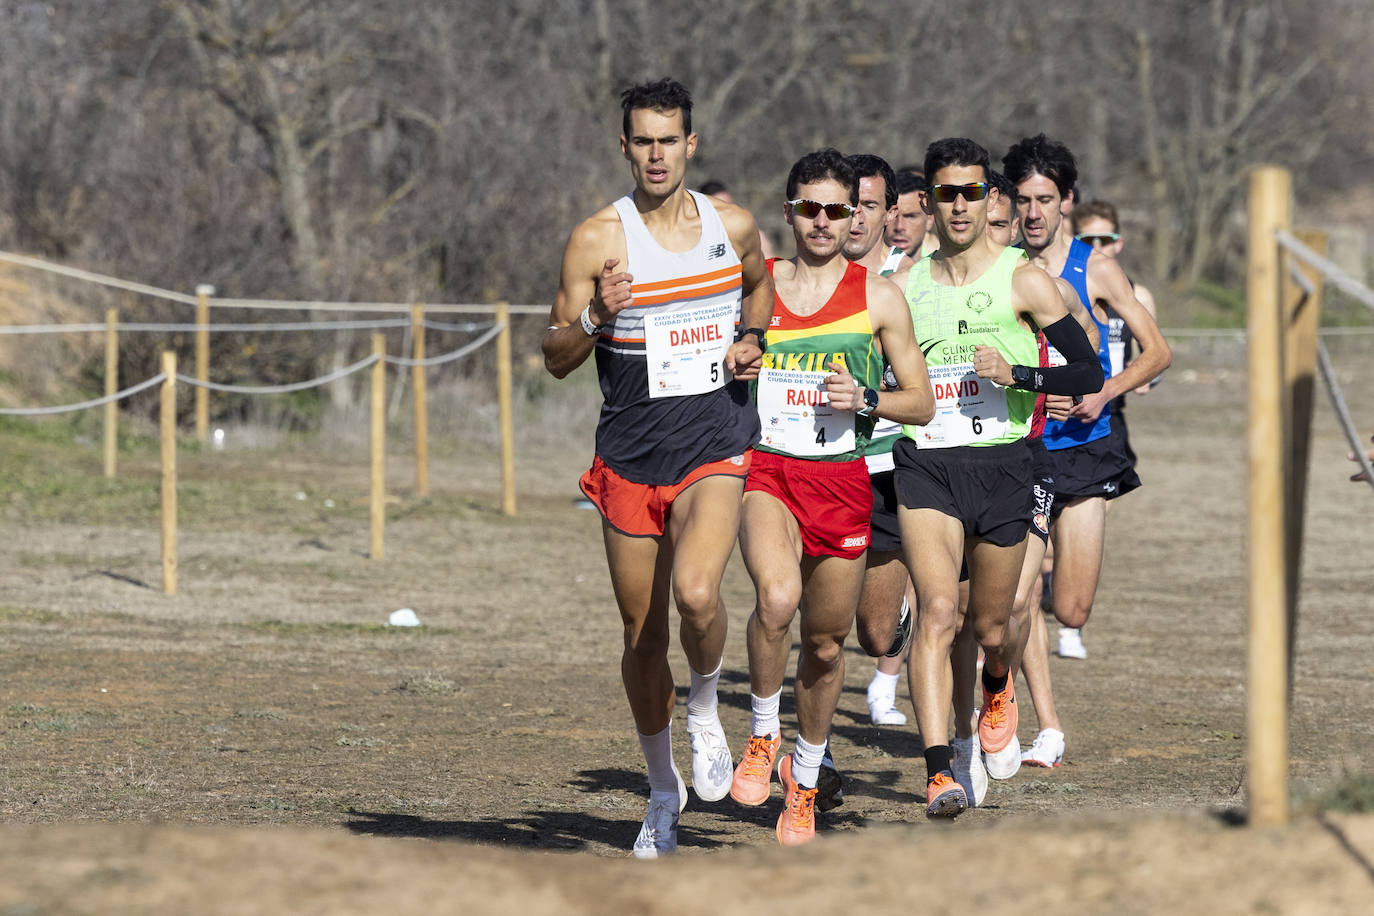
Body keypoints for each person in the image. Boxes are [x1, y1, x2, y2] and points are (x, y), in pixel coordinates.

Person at [541, 78, 773, 859]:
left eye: (668, 140)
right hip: (632, 455)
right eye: (642, 140)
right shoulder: (596, 240)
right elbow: (554, 357)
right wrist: (597, 316)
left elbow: (761, 287)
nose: (656, 154)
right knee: (643, 634)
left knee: (698, 592)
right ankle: (663, 793)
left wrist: (755, 339)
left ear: (690, 145)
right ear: (625, 147)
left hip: (715, 440)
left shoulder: (732, 225)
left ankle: (706, 704)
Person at [889, 138, 1103, 818]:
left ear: (991, 201)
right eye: (946, 193)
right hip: (927, 461)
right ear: (928, 199)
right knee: (936, 612)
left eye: (971, 193)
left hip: (1005, 463)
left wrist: (1021, 376)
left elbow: (1087, 372)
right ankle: (939, 771)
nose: (959, 206)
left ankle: (999, 682)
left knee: (994, 625)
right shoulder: (904, 287)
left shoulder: (1022, 279)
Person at [728, 148, 934, 845]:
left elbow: (924, 402)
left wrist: (868, 397)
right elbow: (718, 367)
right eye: (808, 209)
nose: (821, 222)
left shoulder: (878, 297)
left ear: (854, 218)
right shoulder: (760, 288)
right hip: (771, 473)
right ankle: (762, 734)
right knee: (776, 599)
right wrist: (736, 361)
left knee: (823, 645)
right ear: (789, 213)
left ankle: (806, 780)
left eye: (835, 210)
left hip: (843, 481)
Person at [1003, 134, 1171, 767]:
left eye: (1046, 199)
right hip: (1024, 451)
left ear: (1067, 200)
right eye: (1023, 201)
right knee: (1018, 597)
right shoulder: (1003, 266)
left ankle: (1018, 686)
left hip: (1088, 448)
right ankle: (1026, 714)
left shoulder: (1094, 268)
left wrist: (1103, 394)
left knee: (1069, 607)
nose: (1034, 213)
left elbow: (1158, 352)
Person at [701, 179, 776, 260]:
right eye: (720, 208)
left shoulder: (752, 234)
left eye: (729, 205)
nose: (728, 211)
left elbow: (768, 264)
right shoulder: (697, 239)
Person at [884, 169, 937, 263]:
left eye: (910, 216)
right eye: (892, 215)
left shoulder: (944, 272)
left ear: (929, 219)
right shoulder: (861, 273)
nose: (899, 227)